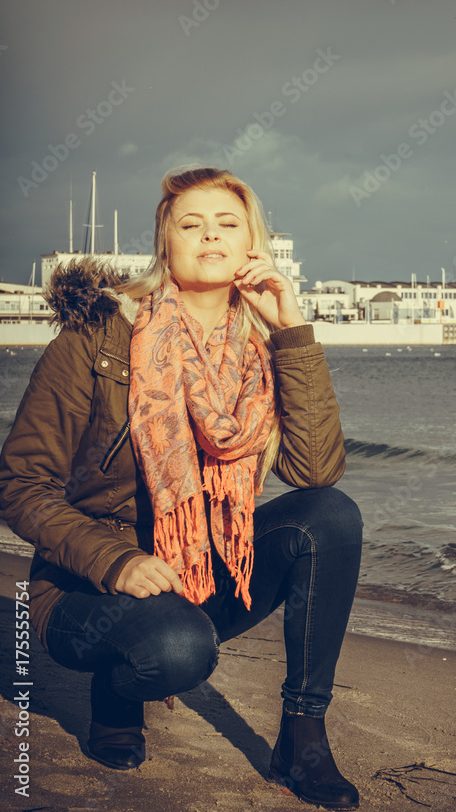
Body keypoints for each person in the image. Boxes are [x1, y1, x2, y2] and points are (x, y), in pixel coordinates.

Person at [0, 166, 363, 810]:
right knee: (174, 651)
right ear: (164, 243)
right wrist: (118, 561)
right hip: (88, 585)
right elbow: (21, 486)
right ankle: (118, 684)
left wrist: (292, 333)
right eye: (190, 224)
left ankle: (302, 739)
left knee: (329, 516)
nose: (210, 237)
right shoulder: (97, 341)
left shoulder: (260, 351)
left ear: (254, 244)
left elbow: (313, 473)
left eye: (228, 223)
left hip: (202, 570)